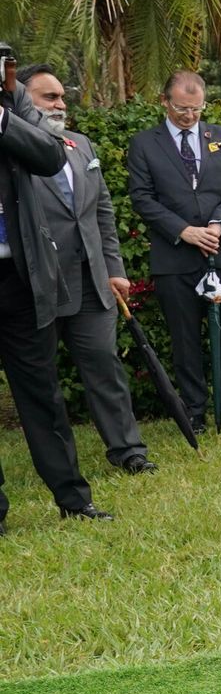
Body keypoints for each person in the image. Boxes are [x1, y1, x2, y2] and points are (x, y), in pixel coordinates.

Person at [20, 65, 154, 474]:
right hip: (37, 284)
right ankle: (60, 465)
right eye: (49, 97)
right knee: (40, 382)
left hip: (92, 282)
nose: (61, 104)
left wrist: (114, 268)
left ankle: (129, 451)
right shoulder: (12, 149)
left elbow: (101, 213)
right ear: (22, 100)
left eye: (62, 96)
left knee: (105, 366)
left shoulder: (81, 144)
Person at [0, 60, 112, 531]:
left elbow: (50, 154)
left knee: (42, 393)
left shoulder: (12, 102)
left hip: (18, 275)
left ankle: (73, 498)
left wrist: (4, 115)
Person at [126, 70, 221, 427]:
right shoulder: (144, 144)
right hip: (174, 256)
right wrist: (183, 231)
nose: (190, 116)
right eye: (182, 109)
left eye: (196, 110)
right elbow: (142, 198)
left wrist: (217, 224)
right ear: (165, 102)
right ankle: (194, 411)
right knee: (184, 338)